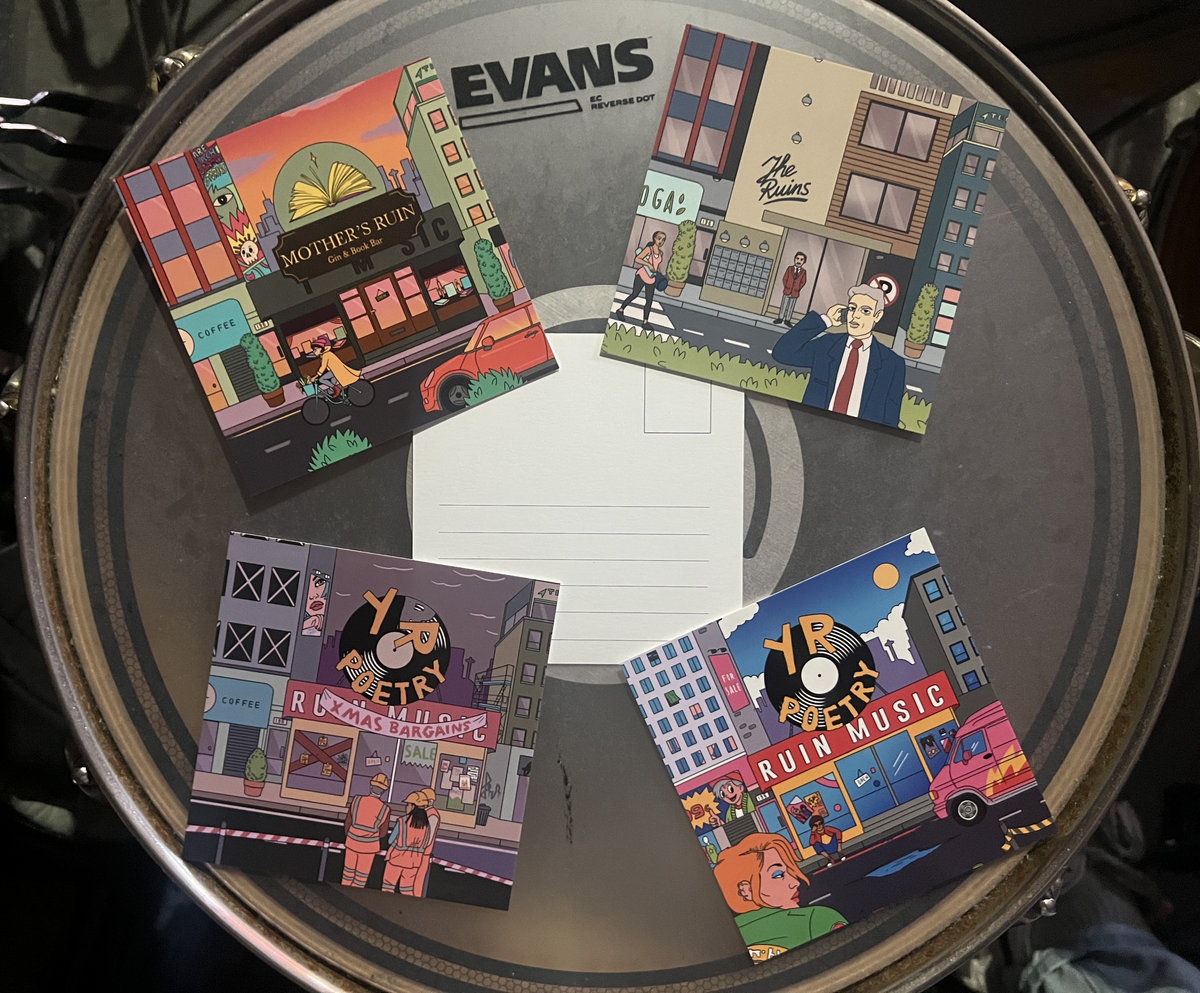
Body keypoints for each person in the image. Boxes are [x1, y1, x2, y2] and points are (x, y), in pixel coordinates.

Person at [772, 283, 905, 427]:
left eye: (865, 311)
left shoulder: (892, 363)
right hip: (815, 427)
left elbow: (891, 416)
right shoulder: (827, 345)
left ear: (877, 316)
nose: (855, 316)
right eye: (852, 308)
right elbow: (782, 352)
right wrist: (825, 321)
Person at [713, 833, 847, 961]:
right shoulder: (816, 919)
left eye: (790, 871)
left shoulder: (723, 943)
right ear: (746, 890)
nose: (795, 882)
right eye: (778, 875)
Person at [382, 787, 440, 897]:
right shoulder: (426, 826)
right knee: (407, 890)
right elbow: (426, 843)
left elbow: (390, 840)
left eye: (408, 805)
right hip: (414, 862)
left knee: (388, 887)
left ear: (413, 806)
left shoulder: (402, 821)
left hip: (396, 859)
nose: (406, 807)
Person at [342, 773, 391, 888]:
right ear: (383, 791)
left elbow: (348, 822)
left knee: (347, 873)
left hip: (352, 842)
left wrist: (351, 835)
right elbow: (383, 832)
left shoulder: (357, 800)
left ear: (371, 786)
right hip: (369, 846)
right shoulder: (385, 809)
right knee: (361, 877)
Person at [616, 230, 667, 331]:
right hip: (642, 275)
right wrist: (648, 264)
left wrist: (661, 274)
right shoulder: (649, 249)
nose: (661, 241)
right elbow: (638, 259)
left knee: (649, 300)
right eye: (659, 238)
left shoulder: (661, 253)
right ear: (654, 238)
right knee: (635, 294)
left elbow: (656, 266)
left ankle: (645, 322)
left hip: (651, 278)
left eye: (663, 240)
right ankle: (620, 310)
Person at [309, 332, 361, 399]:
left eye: (315, 349)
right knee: (332, 385)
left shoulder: (326, 355)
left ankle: (337, 390)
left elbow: (323, 367)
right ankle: (342, 396)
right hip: (335, 371)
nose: (314, 352)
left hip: (336, 371)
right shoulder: (325, 355)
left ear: (321, 348)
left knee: (322, 379)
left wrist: (315, 376)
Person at [774, 252, 808, 325]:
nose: (799, 261)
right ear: (794, 259)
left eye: (801, 260)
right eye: (797, 258)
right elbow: (785, 278)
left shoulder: (803, 272)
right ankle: (780, 318)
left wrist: (798, 288)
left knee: (791, 307)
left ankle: (787, 320)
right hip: (787, 290)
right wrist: (786, 286)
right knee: (784, 304)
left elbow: (803, 281)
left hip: (795, 292)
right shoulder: (789, 268)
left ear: (804, 262)